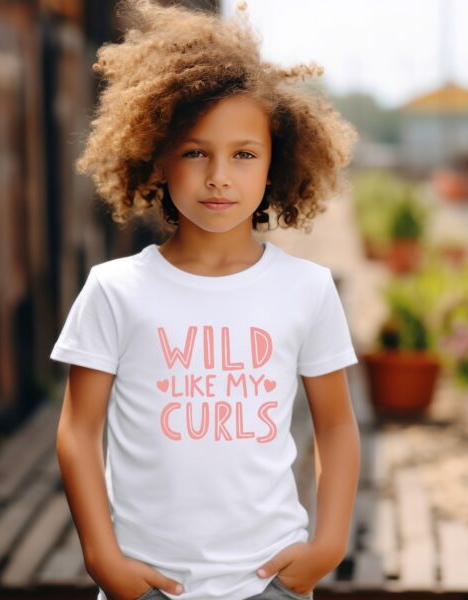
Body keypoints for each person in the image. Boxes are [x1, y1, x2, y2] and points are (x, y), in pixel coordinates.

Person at [50, 1, 361, 599]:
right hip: (145, 584)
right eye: (195, 152)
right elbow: (78, 432)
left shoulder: (308, 289)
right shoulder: (114, 290)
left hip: (271, 582)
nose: (219, 175)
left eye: (244, 154)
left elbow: (338, 425)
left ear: (274, 166)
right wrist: (102, 558)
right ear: (159, 158)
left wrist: (329, 544)